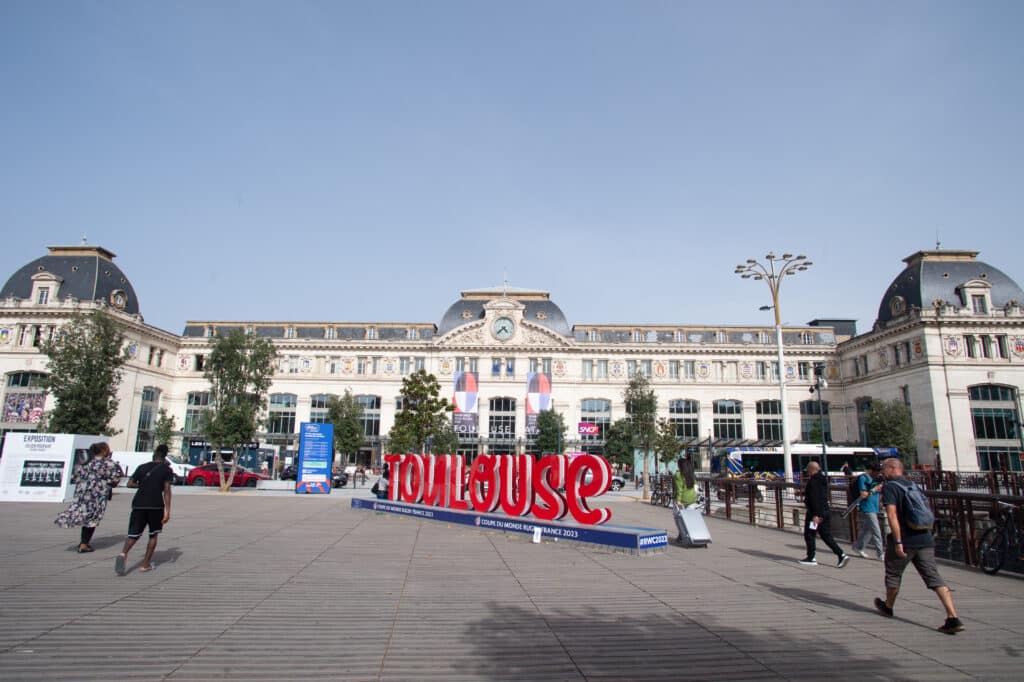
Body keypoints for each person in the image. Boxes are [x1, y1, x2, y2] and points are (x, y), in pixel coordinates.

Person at [874, 457, 963, 634]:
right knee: (933, 576)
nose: (882, 471)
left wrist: (898, 541)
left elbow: (892, 516)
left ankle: (888, 606)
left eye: (884, 468)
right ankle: (953, 616)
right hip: (925, 538)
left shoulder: (891, 487)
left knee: (893, 573)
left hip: (905, 540)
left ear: (893, 469)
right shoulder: (913, 485)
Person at [115, 444, 174, 575]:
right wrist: (167, 510)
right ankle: (145, 564)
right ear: (164, 457)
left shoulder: (142, 467)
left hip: (138, 504)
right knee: (153, 534)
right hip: (155, 505)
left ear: (153, 456)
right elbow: (167, 491)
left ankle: (123, 553)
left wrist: (142, 485)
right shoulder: (166, 470)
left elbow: (130, 483)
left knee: (133, 534)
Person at [55, 442, 121, 553]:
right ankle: (84, 544)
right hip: (97, 495)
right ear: (104, 450)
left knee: (83, 514)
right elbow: (114, 480)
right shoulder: (108, 463)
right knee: (93, 518)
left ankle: (83, 542)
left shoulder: (86, 462)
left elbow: (75, 477)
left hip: (82, 494)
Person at [799, 461, 849, 567]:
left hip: (815, 514)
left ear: (812, 470)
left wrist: (816, 515)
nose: (807, 472)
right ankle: (841, 554)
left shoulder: (813, 482)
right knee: (826, 535)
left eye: (808, 470)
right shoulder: (822, 480)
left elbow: (815, 499)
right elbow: (821, 496)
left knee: (810, 534)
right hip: (825, 511)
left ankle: (811, 557)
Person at [851, 461, 885, 559]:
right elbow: (863, 494)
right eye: (876, 472)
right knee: (876, 529)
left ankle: (858, 546)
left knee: (868, 529)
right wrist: (874, 489)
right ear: (870, 470)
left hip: (875, 505)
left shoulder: (877, 478)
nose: (877, 474)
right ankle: (880, 553)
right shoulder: (863, 478)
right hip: (867, 506)